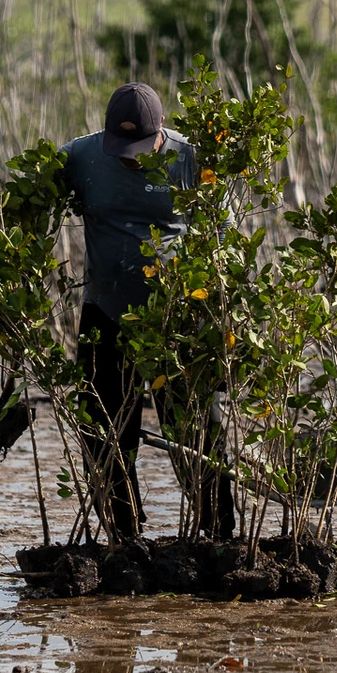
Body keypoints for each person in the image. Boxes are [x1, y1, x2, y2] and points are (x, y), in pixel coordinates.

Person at [59, 82, 233, 540]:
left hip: (177, 319)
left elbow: (224, 237)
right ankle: (125, 538)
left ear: (161, 134)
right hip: (105, 313)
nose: (129, 158)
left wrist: (221, 322)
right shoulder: (79, 157)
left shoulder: (191, 160)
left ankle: (218, 538)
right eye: (121, 148)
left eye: (140, 149)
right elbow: (32, 205)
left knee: (196, 433)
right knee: (103, 433)